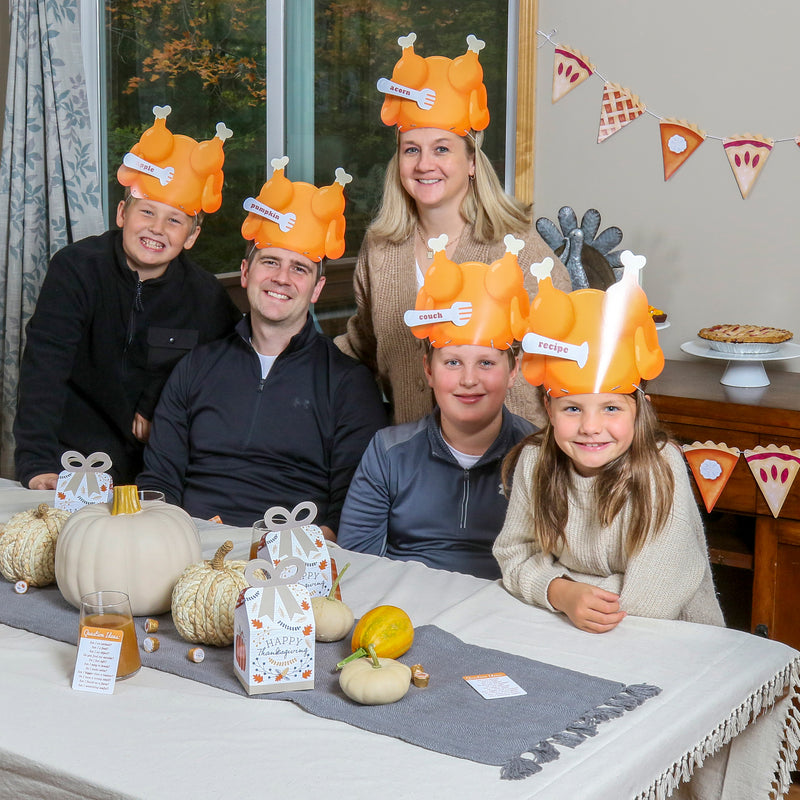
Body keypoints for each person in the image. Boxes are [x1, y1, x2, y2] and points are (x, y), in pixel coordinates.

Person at [137, 158, 387, 534]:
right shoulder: (195, 368)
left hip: (293, 551)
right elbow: (159, 481)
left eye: (299, 268)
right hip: (192, 542)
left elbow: (352, 505)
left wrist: (308, 548)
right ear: (245, 272)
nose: (281, 278)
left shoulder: (348, 383)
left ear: (317, 288)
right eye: (270, 261)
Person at [335, 31, 571, 426]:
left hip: (511, 454)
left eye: (442, 148)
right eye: (412, 149)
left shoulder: (518, 249)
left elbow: (566, 355)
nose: (424, 164)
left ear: (472, 162)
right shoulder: (380, 250)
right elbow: (362, 347)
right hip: (411, 453)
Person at [493, 252, 724, 632]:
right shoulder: (535, 461)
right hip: (574, 629)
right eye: (572, 409)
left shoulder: (661, 466)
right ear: (548, 409)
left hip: (673, 636)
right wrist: (559, 592)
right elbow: (513, 553)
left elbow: (652, 599)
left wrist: (567, 588)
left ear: (640, 407)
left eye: (611, 408)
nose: (591, 427)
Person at [14, 106, 241, 490]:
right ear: (122, 213)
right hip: (69, 461)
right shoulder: (76, 268)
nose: (157, 228)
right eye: (147, 211)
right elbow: (44, 369)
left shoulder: (206, 296)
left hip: (156, 472)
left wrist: (161, 402)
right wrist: (37, 464)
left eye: (174, 220)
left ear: (191, 236)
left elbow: (232, 367)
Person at [338, 236, 535, 579]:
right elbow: (356, 566)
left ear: (513, 371)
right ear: (429, 370)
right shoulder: (388, 453)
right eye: (453, 362)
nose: (469, 380)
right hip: (402, 602)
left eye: (486, 363)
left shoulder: (538, 456)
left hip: (503, 602)